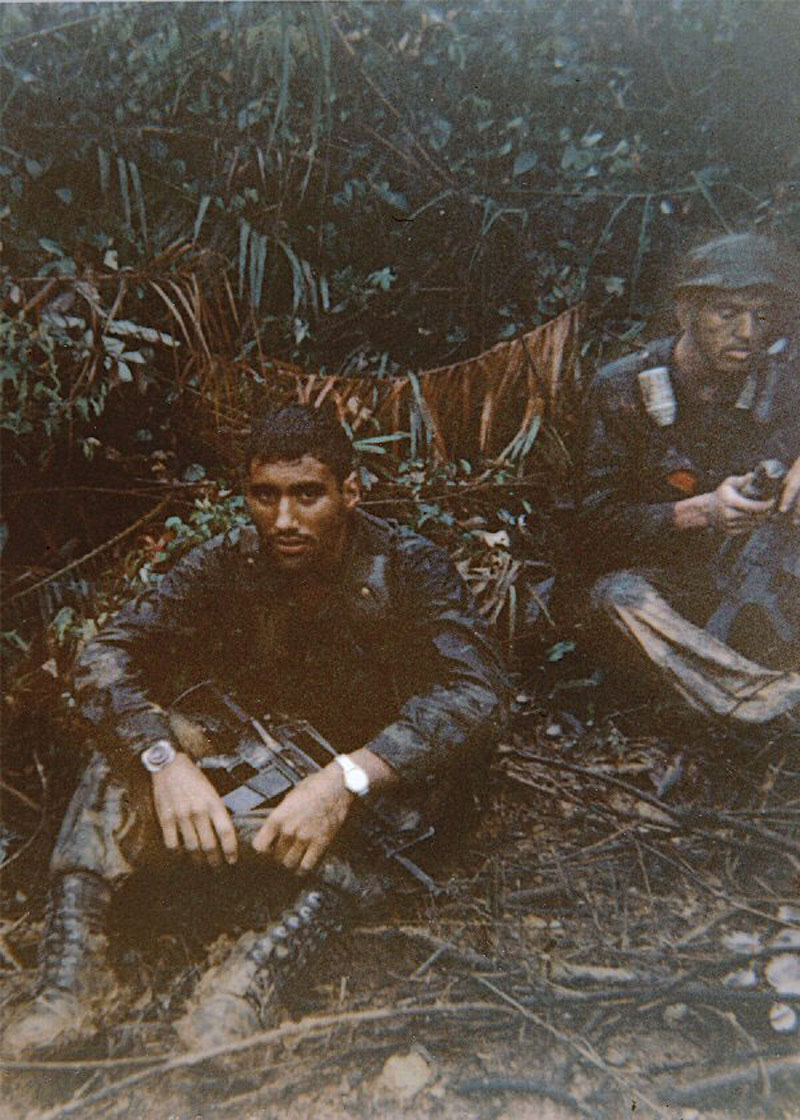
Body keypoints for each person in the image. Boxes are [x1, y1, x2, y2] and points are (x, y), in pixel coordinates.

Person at [1, 404, 509, 1057]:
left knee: (397, 804)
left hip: (371, 782)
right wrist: (164, 761)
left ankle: (246, 979)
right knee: (122, 751)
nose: (285, 519)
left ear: (350, 492)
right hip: (261, 752)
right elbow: (105, 655)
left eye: (308, 495)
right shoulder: (228, 559)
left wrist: (346, 779)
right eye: (264, 496)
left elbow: (479, 695)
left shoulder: (410, 569)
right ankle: (75, 982)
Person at [579, 232, 800, 726]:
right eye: (727, 312)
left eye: (761, 316)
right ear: (686, 312)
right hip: (680, 592)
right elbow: (589, 525)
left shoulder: (783, 377)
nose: (748, 332)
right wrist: (701, 511)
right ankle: (766, 700)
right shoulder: (622, 391)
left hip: (772, 581)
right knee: (617, 599)